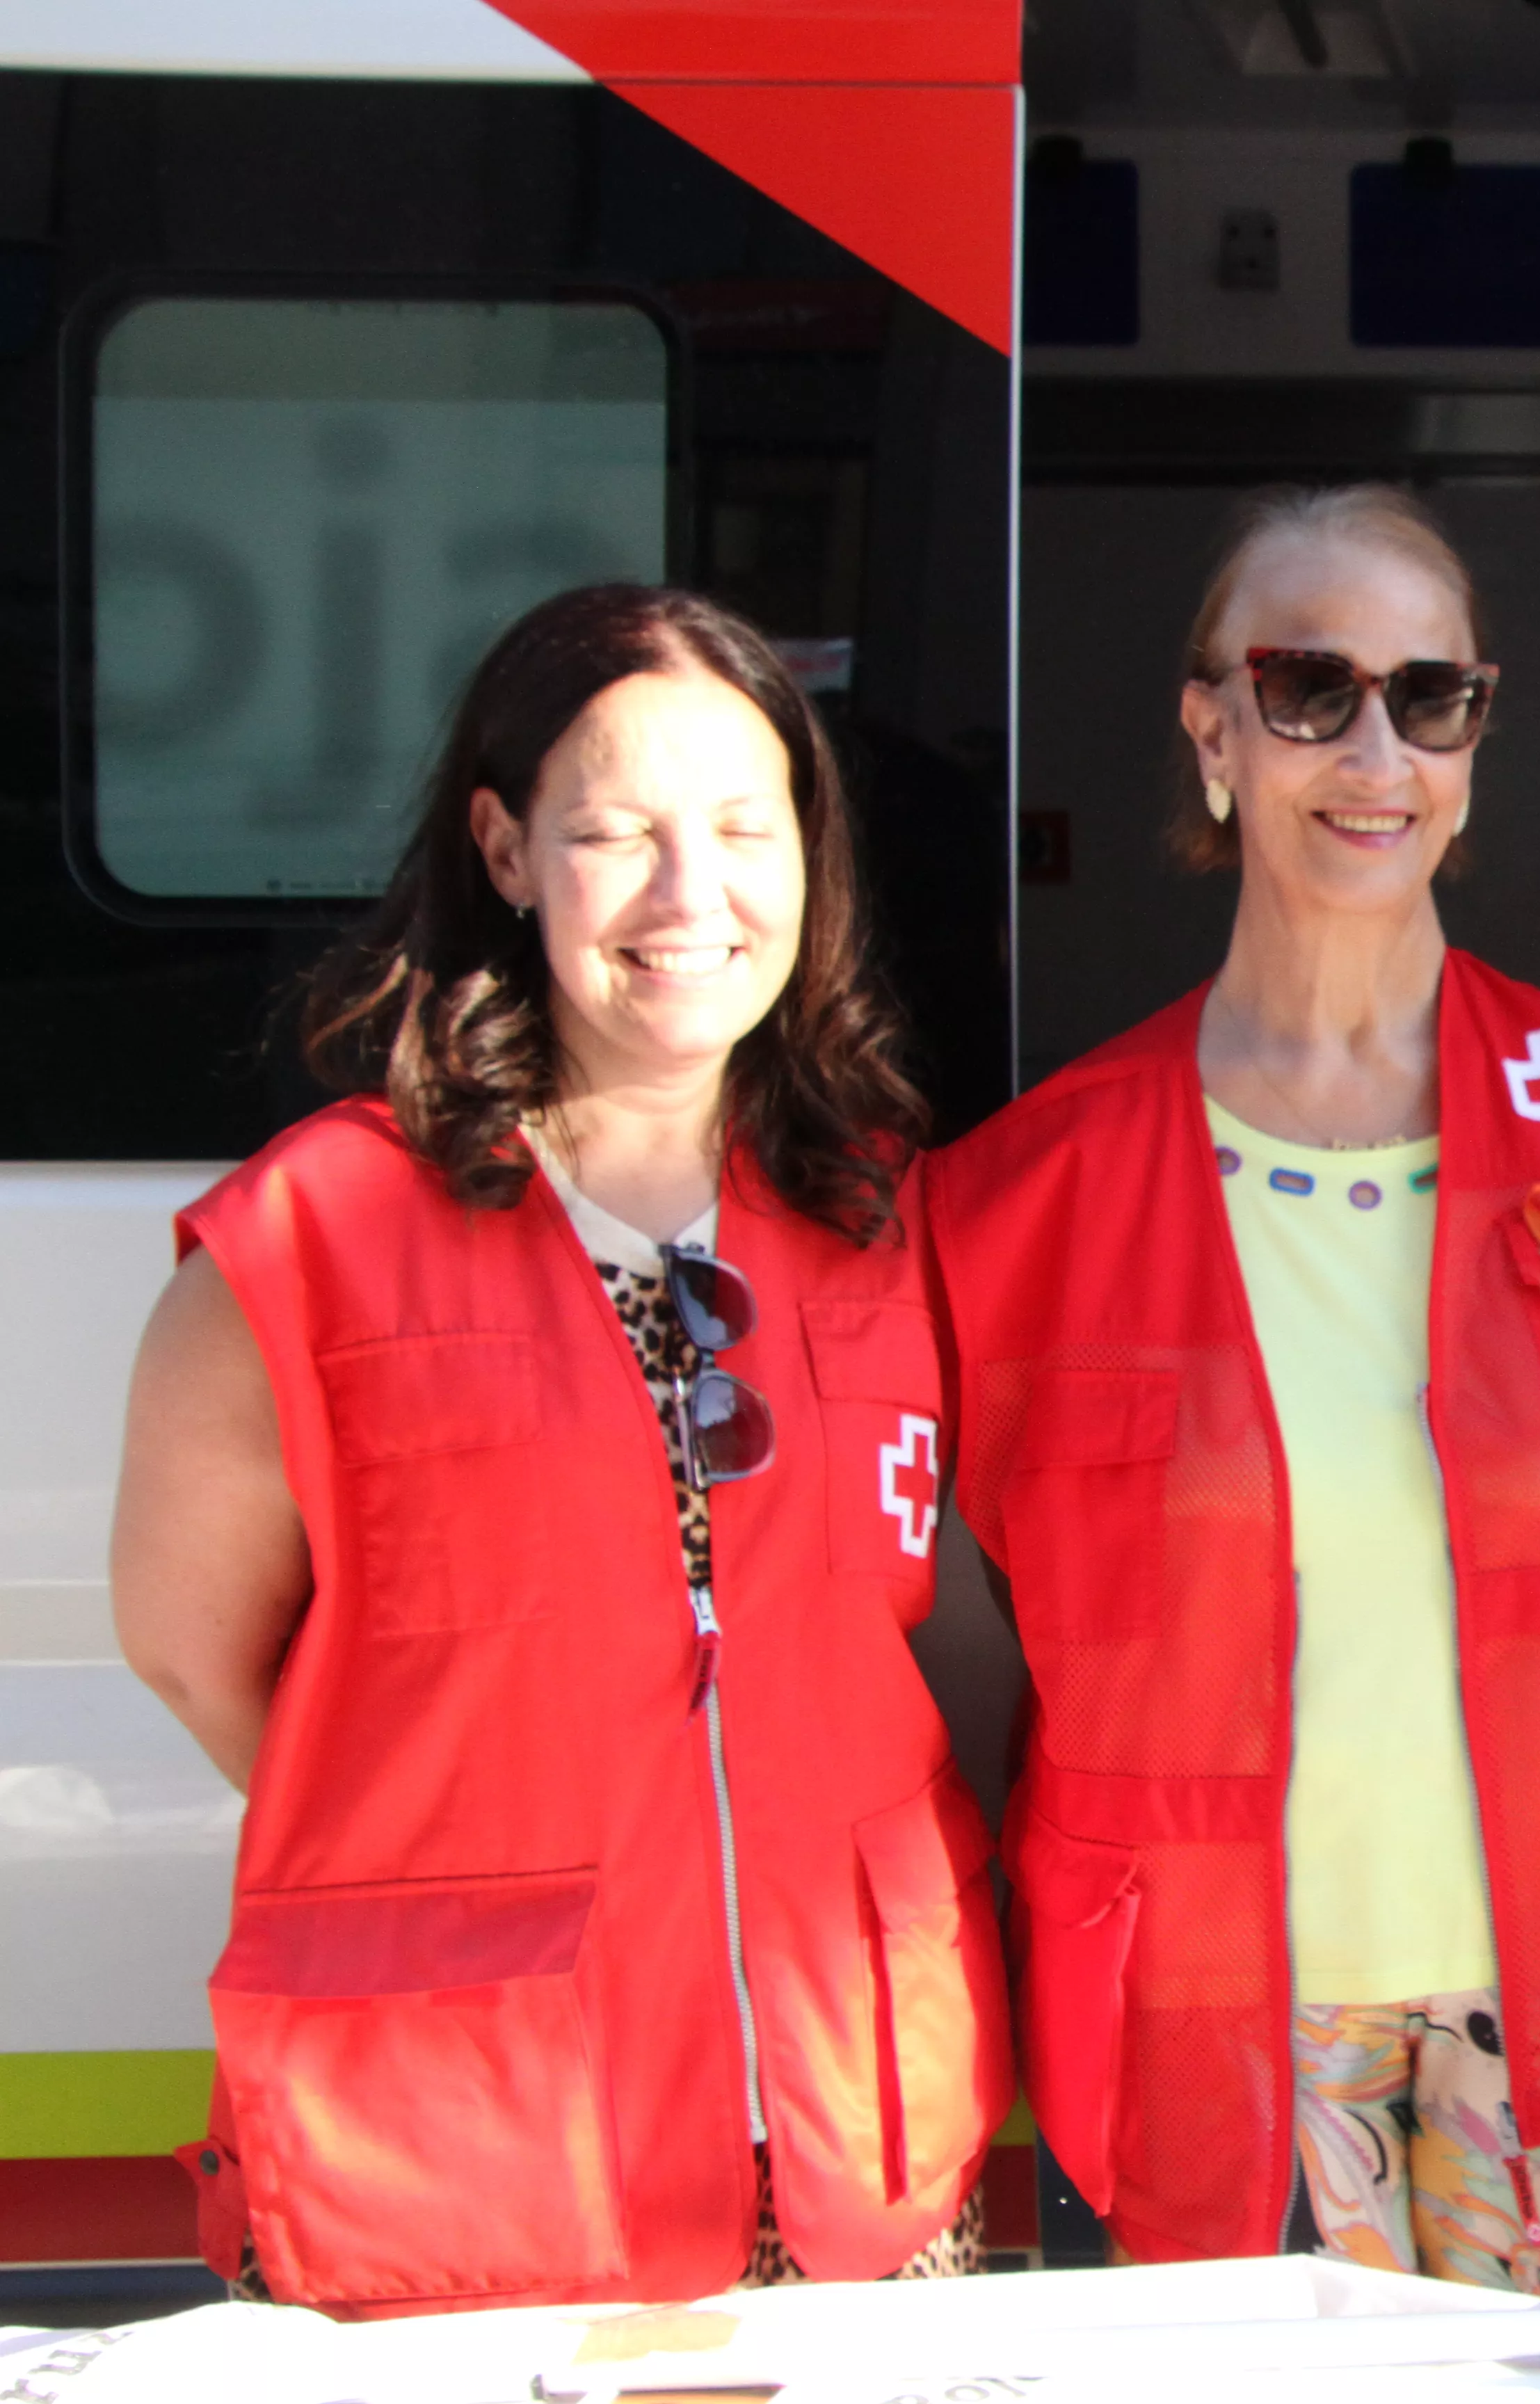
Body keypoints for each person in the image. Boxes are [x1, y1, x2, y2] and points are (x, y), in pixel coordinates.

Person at [112, 584, 1011, 2317]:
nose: (694, 896)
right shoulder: (307, 1241)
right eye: (616, 833)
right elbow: (191, 1650)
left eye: (747, 829)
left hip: (857, 2148)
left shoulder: (890, 1211)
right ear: (507, 849)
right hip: (474, 2170)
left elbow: (948, 1637)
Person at [926, 485, 1540, 2291]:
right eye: (1310, 689)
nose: (1374, 749)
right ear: (1212, 726)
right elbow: (990, 1616)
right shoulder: (1023, 1193)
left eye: (1430, 696)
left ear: (1475, 734)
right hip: (1225, 2007)